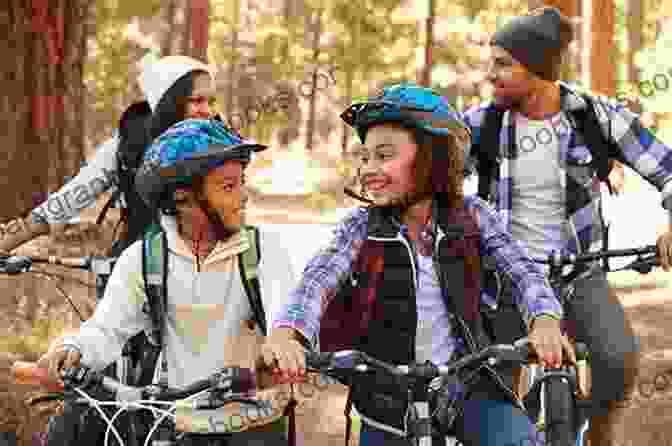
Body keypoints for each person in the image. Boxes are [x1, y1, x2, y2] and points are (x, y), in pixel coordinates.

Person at [259, 84, 574, 446]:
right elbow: (317, 280)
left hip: (468, 389)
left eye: (384, 155)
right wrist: (288, 333)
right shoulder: (361, 227)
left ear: (433, 159)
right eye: (365, 157)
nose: (369, 169)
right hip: (386, 402)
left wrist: (545, 320)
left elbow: (522, 271)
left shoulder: (473, 216)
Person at [462, 7, 672, 445]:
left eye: (503, 64)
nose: (490, 74)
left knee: (618, 359)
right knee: (491, 388)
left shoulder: (597, 117)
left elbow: (668, 170)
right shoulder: (481, 124)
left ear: (537, 68)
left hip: (580, 272)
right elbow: (428, 181)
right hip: (504, 280)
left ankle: (600, 430)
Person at [36, 119, 296, 445]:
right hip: (178, 421)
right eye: (228, 187)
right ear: (182, 198)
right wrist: (72, 350)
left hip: (254, 422)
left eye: (241, 183)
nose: (244, 197)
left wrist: (285, 341)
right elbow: (106, 329)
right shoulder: (144, 260)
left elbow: (288, 317)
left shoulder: (264, 252)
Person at [0, 54, 218, 259]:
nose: (207, 111)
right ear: (169, 101)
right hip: (139, 269)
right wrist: (8, 242)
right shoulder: (128, 145)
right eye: (197, 101)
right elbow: (68, 200)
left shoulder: (220, 144)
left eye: (211, 102)